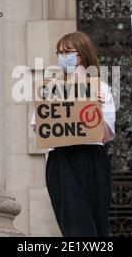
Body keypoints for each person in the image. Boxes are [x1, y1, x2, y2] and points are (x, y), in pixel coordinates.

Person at [30, 31, 116, 237]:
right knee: (75, 227)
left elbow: (105, 136)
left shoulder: (101, 88)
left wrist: (96, 107)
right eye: (59, 52)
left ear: (82, 55)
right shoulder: (50, 89)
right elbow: (40, 127)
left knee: (97, 225)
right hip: (62, 160)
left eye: (67, 52)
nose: (62, 57)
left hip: (92, 158)